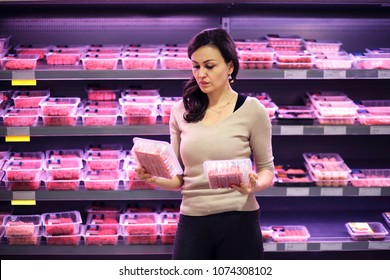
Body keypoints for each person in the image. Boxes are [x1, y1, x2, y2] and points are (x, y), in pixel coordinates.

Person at [136, 27, 274, 260]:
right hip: (193, 222)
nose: (201, 74)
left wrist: (254, 185)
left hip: (239, 221)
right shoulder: (181, 111)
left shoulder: (253, 110)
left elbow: (267, 171)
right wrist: (154, 177)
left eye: (209, 66)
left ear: (229, 67)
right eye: (196, 66)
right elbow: (179, 178)